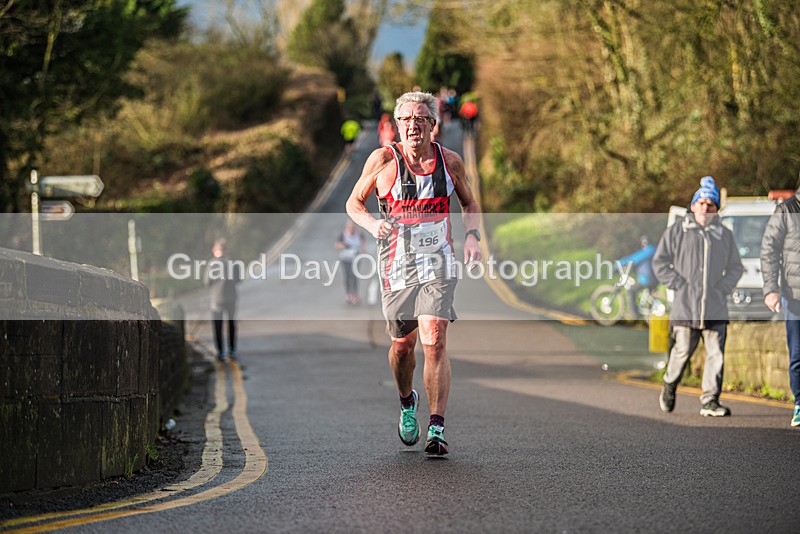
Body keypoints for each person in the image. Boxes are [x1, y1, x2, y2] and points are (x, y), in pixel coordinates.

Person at [345, 91, 482, 456]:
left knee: (434, 337)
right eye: (405, 119)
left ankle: (436, 427)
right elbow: (353, 203)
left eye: (420, 119)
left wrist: (472, 237)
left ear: (433, 125)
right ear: (397, 124)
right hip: (396, 264)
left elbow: (469, 202)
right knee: (402, 348)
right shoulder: (382, 160)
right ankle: (408, 401)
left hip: (439, 260)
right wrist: (373, 226)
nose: (412, 126)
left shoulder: (450, 162)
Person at [652, 176, 743, 417]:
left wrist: (723, 288)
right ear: (692, 206)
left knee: (716, 355)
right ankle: (670, 384)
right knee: (681, 353)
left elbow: (736, 267)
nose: (705, 208)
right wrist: (677, 284)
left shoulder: (724, 235)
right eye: (701, 202)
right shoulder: (677, 231)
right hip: (685, 307)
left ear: (716, 209)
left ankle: (710, 400)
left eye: (710, 204)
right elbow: (659, 262)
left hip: (715, 307)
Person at [760, 183, 800, 427]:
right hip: (795, 296)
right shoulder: (785, 210)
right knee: (797, 354)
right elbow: (769, 250)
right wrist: (771, 290)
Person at [204, 238, 243, 361]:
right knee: (231, 324)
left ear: (214, 250)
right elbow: (239, 279)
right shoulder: (234, 263)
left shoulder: (212, 264)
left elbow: (207, 282)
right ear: (226, 250)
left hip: (217, 300)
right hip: (231, 298)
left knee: (218, 326)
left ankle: (220, 351)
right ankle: (232, 350)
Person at [618, 235, 657, 318]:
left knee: (631, 291)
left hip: (647, 278)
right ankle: (646, 313)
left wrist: (619, 263)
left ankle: (634, 314)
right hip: (655, 278)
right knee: (647, 295)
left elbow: (633, 259)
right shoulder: (655, 250)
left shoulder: (647, 251)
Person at [335, 219, 366, 305]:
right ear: (347, 227)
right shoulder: (343, 234)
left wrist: (362, 250)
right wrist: (343, 245)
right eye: (350, 227)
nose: (351, 229)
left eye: (353, 227)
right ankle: (348, 294)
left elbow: (363, 242)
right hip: (345, 259)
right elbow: (336, 245)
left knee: (355, 276)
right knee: (347, 276)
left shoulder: (359, 234)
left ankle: (355, 295)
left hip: (355, 259)